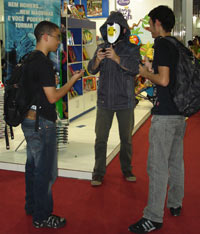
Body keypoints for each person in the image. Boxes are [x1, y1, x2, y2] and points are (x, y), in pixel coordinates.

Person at [128, 6, 187, 233]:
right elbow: (170, 78)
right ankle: (175, 203)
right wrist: (152, 70)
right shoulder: (176, 45)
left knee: (157, 166)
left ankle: (153, 217)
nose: (149, 27)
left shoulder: (161, 44)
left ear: (157, 23)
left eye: (150, 23)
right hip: (180, 113)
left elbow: (163, 80)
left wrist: (145, 73)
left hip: (165, 115)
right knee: (175, 161)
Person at [21, 21, 84, 229]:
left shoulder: (28, 59)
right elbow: (52, 97)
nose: (59, 42)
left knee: (32, 166)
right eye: (57, 37)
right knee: (45, 172)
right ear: (45, 37)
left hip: (29, 121)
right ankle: (42, 215)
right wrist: (72, 82)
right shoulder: (44, 63)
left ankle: (32, 206)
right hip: (42, 124)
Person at [88, 11, 140, 186]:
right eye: (108, 27)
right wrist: (97, 60)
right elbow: (92, 70)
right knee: (100, 138)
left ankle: (127, 170)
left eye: (115, 27)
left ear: (124, 30)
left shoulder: (132, 48)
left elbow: (134, 69)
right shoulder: (101, 47)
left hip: (125, 101)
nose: (111, 30)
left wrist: (117, 59)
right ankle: (98, 172)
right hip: (104, 101)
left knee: (126, 139)